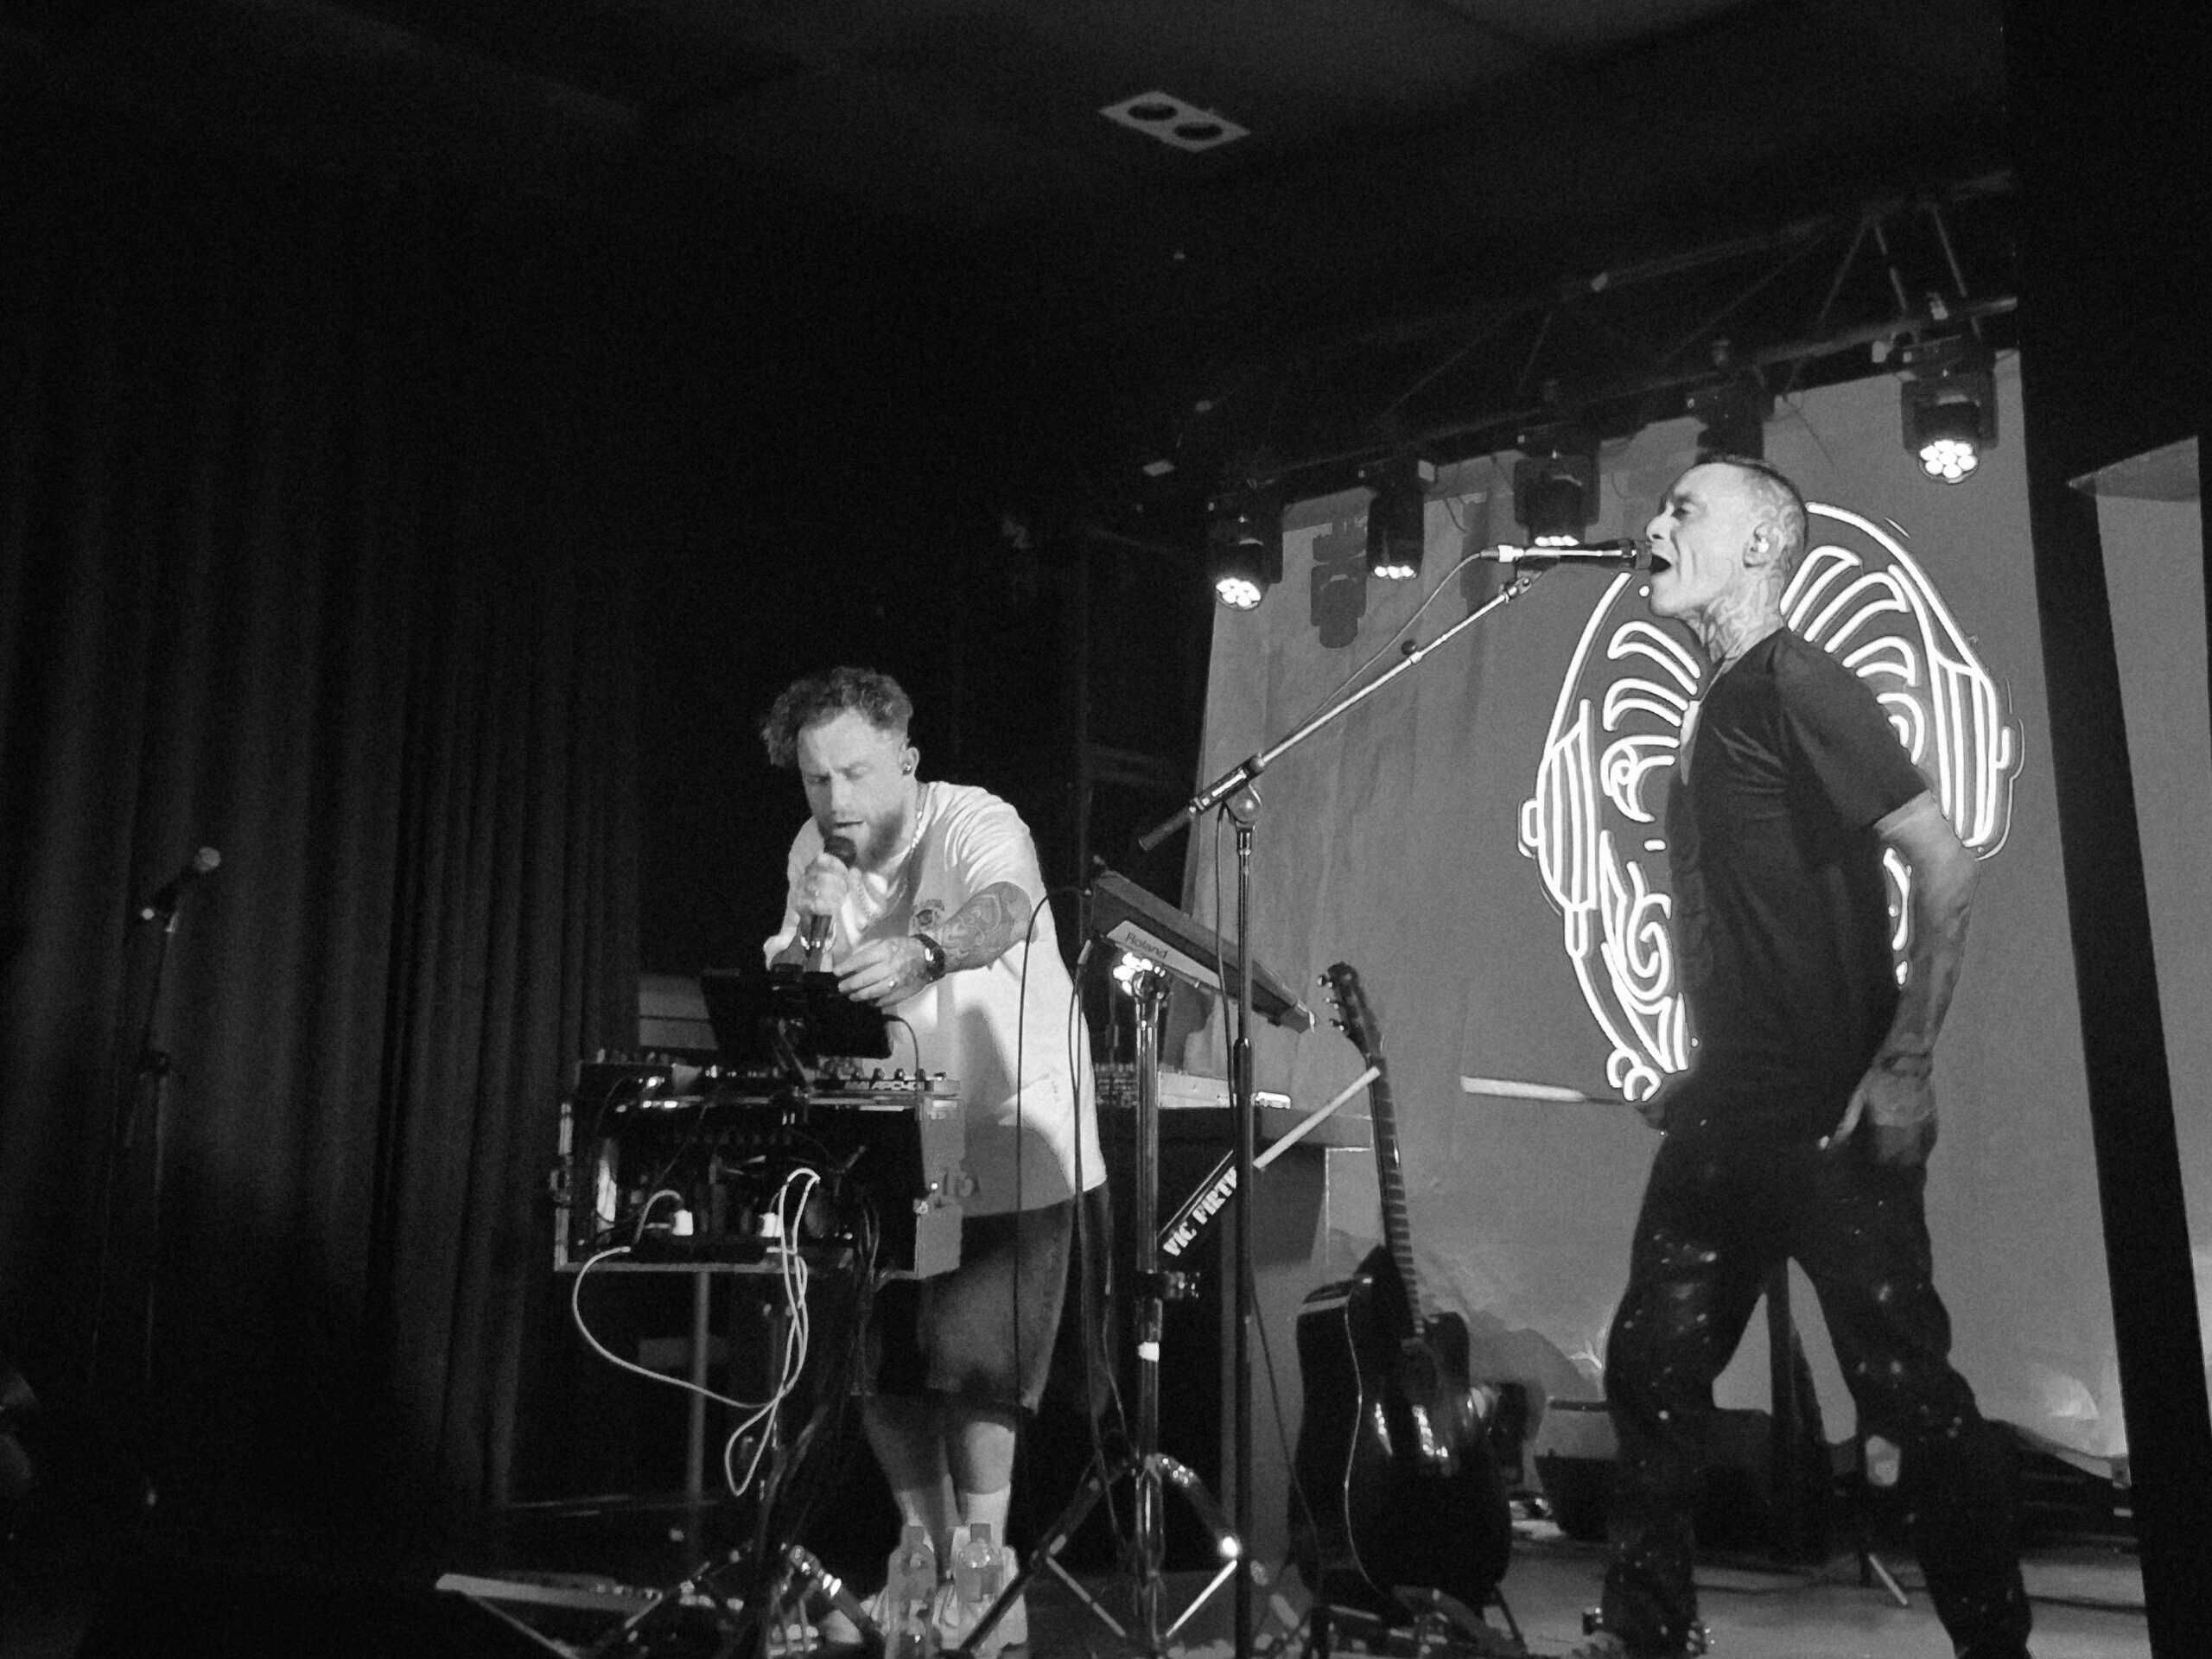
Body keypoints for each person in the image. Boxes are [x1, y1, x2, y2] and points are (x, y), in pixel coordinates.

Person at [1570, 459, 2032, 1659]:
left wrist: (1907, 1061)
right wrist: (1705, 1064)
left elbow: (1946, 864)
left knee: (1909, 1395)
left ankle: (1997, 1646)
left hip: (1831, 1120)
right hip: (1730, 1109)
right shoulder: (1715, 701)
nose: (1655, 524)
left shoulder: (1798, 682)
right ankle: (1646, 1634)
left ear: (1763, 544)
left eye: (1685, 509)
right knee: (1652, 1372)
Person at [759, 665, 1103, 1656]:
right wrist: (812, 922)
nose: (836, 800)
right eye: (817, 779)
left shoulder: (973, 820)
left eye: (856, 774)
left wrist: (923, 952)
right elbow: (796, 986)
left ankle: (985, 1580)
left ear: (906, 761)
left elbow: (1006, 906)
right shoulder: (812, 850)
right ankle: (921, 1564)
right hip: (895, 1130)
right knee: (884, 1361)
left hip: (1008, 1123)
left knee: (977, 1363)